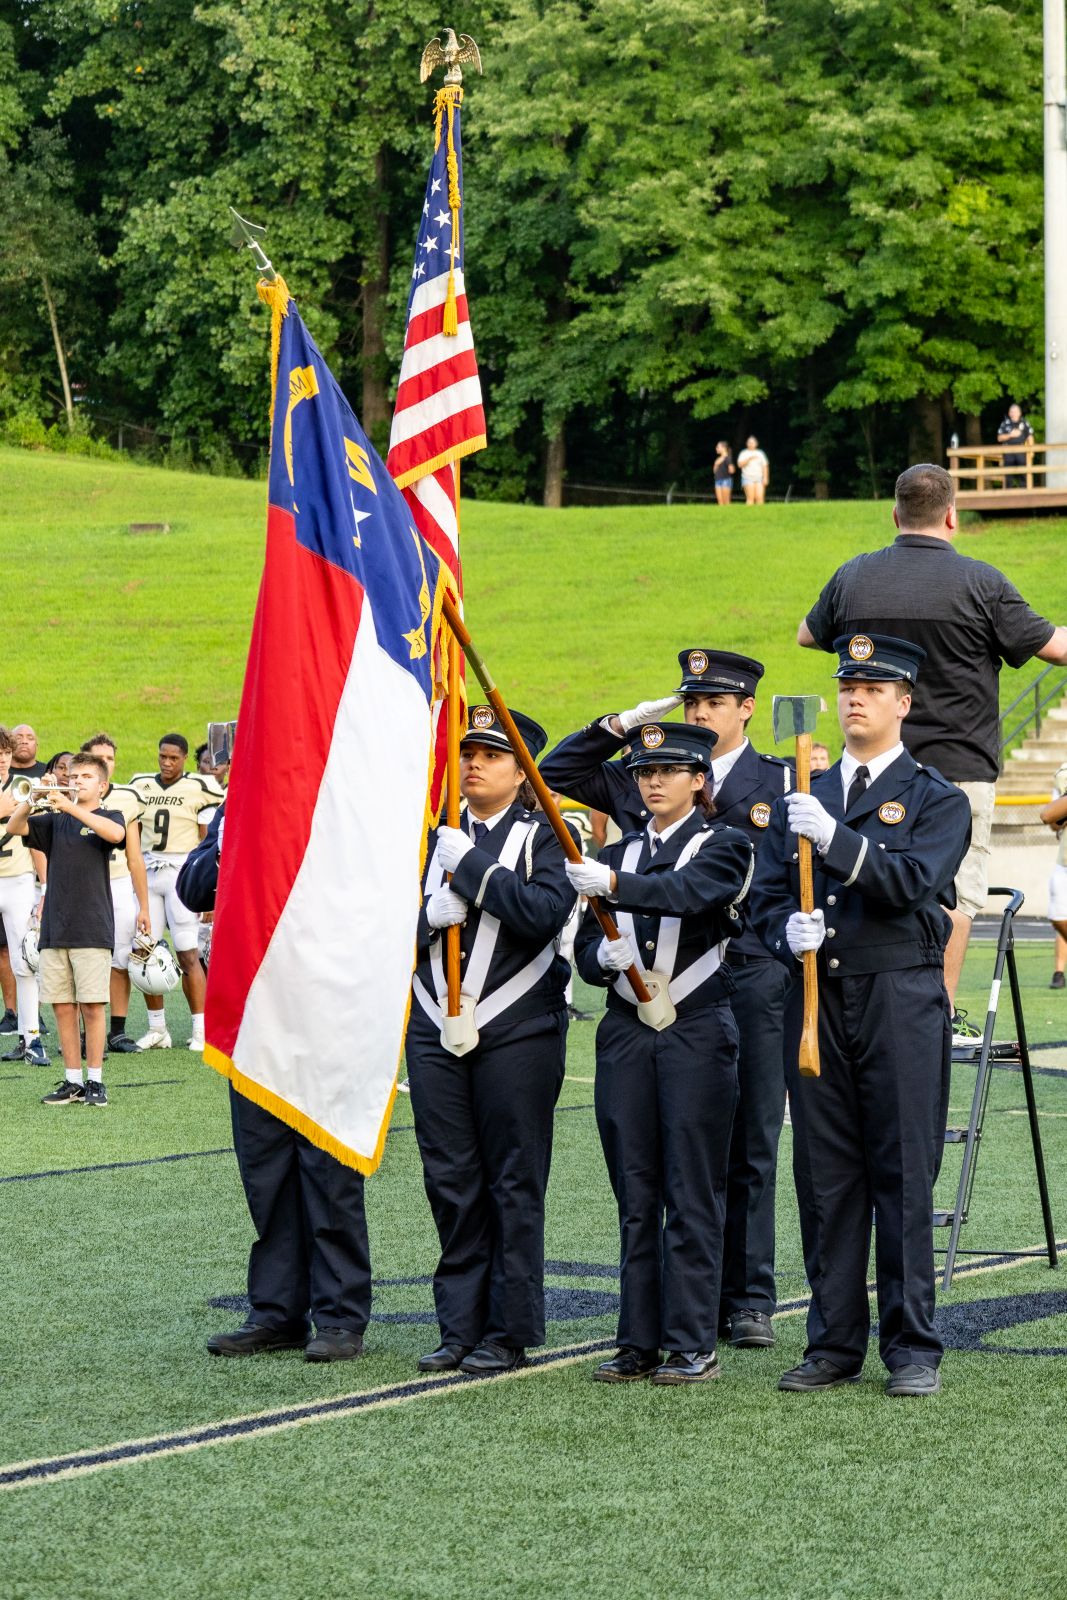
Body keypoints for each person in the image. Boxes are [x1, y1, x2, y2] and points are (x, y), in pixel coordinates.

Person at [541, 650, 794, 1349]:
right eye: (691, 702)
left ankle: (746, 1297)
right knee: (658, 1155)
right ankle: (673, 1309)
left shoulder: (778, 781)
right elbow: (556, 773)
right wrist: (618, 725)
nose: (698, 712)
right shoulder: (647, 778)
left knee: (746, 1145)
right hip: (648, 979)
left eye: (713, 702)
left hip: (744, 971)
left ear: (744, 706)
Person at [748, 634, 971, 1397]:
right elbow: (767, 904)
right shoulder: (804, 796)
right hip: (814, 998)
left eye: (873, 689)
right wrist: (786, 933)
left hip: (897, 999)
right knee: (826, 1175)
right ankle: (832, 1342)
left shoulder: (935, 797)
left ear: (903, 703)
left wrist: (835, 841)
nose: (854, 698)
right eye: (847, 685)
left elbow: (912, 881)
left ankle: (911, 1348)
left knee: (901, 1173)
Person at [798, 461, 1067, 1035]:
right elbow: (1054, 648)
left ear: (895, 515)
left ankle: (846, 1016)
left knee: (855, 876)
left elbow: (807, 633)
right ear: (952, 515)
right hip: (958, 767)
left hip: (869, 769)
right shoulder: (981, 582)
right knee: (954, 894)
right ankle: (932, 1016)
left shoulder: (855, 575)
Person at [569, 722, 753, 1384]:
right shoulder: (616, 850)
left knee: (691, 1187)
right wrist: (598, 956)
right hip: (624, 1030)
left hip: (695, 1030)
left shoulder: (725, 845)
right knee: (635, 1189)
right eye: (644, 773)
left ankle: (691, 1341)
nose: (652, 782)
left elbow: (688, 894)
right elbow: (580, 955)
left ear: (698, 780)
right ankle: (636, 1340)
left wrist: (611, 881)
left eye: (669, 771)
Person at [406, 706, 575, 1377]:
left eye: (491, 755)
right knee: (449, 1177)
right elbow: (374, 925)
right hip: (431, 1022)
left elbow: (540, 915)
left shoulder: (548, 836)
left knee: (511, 1179)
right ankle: (458, 1325)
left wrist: (472, 870)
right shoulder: (424, 839)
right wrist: (425, 916)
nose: (473, 764)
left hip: (518, 1027)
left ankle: (508, 1328)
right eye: (467, 753)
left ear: (521, 771)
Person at [177, 803, 372, 1362]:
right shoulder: (229, 816)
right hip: (255, 1020)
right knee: (267, 1174)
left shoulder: (337, 798)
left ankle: (339, 1316)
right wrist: (231, 837)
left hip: (325, 1013)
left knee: (328, 1172)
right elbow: (195, 888)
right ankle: (277, 1312)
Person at [8, 753, 126, 1107]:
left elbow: (116, 835)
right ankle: (73, 1080)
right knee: (62, 1006)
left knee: (91, 1005)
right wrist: (32, 799)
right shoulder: (54, 822)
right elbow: (15, 827)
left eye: (86, 776)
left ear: (102, 785)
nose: (76, 781)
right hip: (55, 928)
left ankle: (96, 1081)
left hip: (91, 926)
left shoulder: (108, 816)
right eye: (73, 775)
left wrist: (68, 807)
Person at [130, 733, 224, 1050]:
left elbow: (206, 839)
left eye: (173, 758)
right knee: (144, 950)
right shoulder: (140, 784)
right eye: (162, 756)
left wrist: (205, 886)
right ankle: (158, 1028)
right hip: (148, 871)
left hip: (179, 871)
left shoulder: (200, 786)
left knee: (187, 951)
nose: (167, 763)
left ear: (185, 758)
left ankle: (200, 1028)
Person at [80, 735, 152, 1051]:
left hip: (119, 882)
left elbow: (134, 856)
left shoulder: (127, 797)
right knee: (82, 958)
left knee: (120, 957)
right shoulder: (73, 794)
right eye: (98, 758)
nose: (105, 763)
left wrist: (144, 906)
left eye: (109, 758)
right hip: (84, 883)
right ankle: (84, 1033)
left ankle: (117, 1030)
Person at [0, 728, 49, 1068]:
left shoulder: (23, 787)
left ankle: (31, 1038)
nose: (2, 759)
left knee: (24, 961)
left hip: (17, 882)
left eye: (4, 752)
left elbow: (38, 840)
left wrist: (45, 888)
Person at [997, 403, 1033, 490]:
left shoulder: (1025, 423)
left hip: (1021, 449)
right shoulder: (1005, 423)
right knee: (1008, 472)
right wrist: (1010, 435)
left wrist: (1032, 451)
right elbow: (999, 438)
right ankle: (1008, 491)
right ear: (1009, 413)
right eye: (1011, 412)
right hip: (1008, 449)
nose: (1013, 413)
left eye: (1015, 411)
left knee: (1024, 470)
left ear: (1019, 413)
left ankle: (1024, 490)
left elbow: (1030, 437)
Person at [737, 436, 769, 505]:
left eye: (752, 442)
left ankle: (760, 514)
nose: (751, 444)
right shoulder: (743, 453)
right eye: (749, 442)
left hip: (759, 478)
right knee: (750, 499)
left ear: (756, 444)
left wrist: (765, 478)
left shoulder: (760, 453)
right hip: (747, 477)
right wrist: (749, 459)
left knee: (760, 498)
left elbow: (765, 466)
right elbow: (740, 465)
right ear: (746, 444)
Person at [713, 441, 735, 505]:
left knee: (726, 502)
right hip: (717, 480)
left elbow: (732, 471)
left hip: (726, 480)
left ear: (724, 448)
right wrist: (716, 464)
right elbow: (714, 471)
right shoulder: (718, 459)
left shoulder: (728, 458)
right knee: (720, 503)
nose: (716, 448)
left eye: (718, 447)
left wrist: (730, 467)